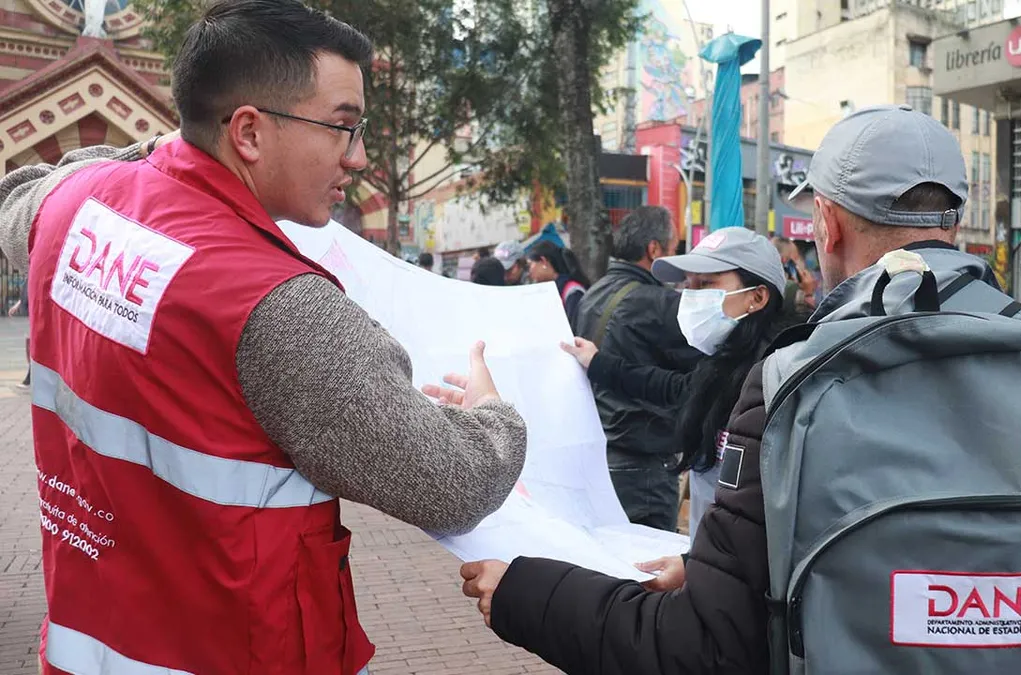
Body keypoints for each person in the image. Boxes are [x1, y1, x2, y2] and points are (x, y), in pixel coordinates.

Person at [458, 104, 1021, 673]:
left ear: (826, 224)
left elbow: (705, 650)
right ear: (955, 222)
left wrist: (529, 592)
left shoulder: (790, 386)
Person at [0, 2, 527, 674]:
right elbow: (455, 481)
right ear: (246, 130)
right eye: (342, 127)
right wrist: (491, 413)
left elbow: (20, 188)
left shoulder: (69, 210)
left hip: (89, 647)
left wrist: (172, 148)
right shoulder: (280, 308)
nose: (359, 157)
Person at [562, 228, 799, 539]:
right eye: (689, 284)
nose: (691, 296)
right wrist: (598, 363)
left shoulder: (778, 379)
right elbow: (674, 387)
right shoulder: (721, 365)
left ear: (756, 297)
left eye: (706, 285)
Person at [572, 206, 701, 532]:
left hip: (601, 454)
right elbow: (700, 367)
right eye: (673, 250)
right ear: (654, 250)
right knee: (649, 574)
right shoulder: (657, 302)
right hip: (645, 464)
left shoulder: (592, 294)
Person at [526, 240, 590, 327]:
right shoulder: (548, 290)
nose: (529, 271)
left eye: (530, 264)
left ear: (543, 261)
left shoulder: (572, 291)